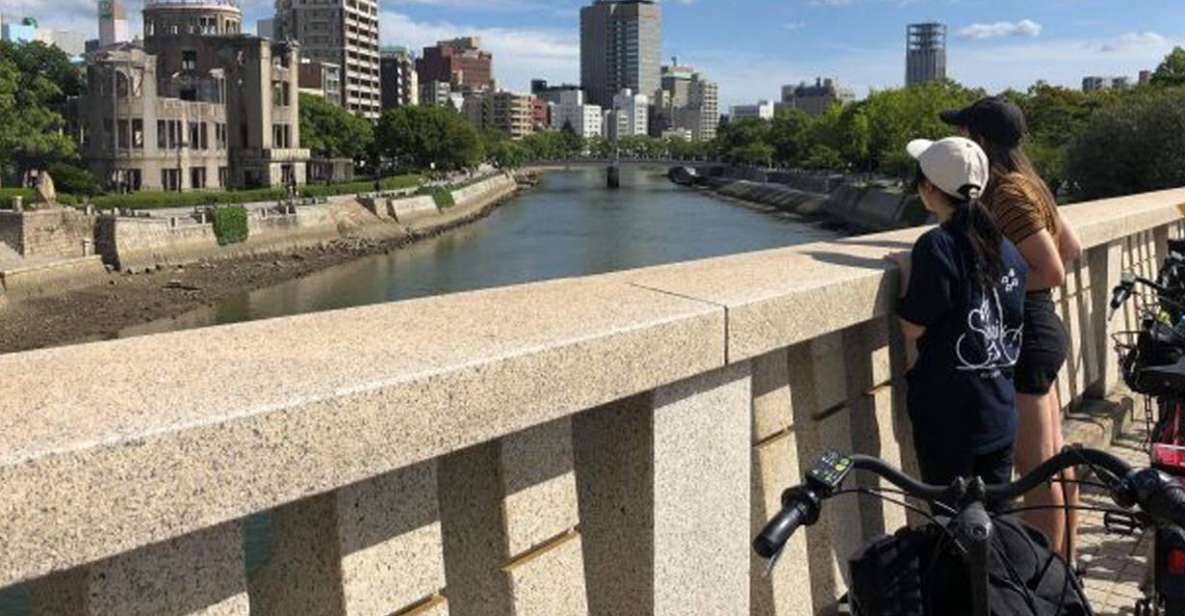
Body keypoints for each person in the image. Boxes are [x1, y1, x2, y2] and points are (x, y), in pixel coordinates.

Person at [941, 97, 1084, 561]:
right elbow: (1073, 247)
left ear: (979, 140)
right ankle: (1066, 572)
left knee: (1035, 469)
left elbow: (1052, 269)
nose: (961, 141)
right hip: (1043, 331)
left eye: (964, 133)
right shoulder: (1032, 183)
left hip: (1028, 336)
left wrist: (998, 291)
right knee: (1056, 459)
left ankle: (1049, 580)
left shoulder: (1004, 193)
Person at [888, 137, 1029, 492]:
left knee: (954, 524)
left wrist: (908, 272)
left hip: (950, 416)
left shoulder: (937, 245)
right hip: (999, 408)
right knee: (994, 521)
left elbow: (912, 326)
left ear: (929, 189)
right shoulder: (1007, 249)